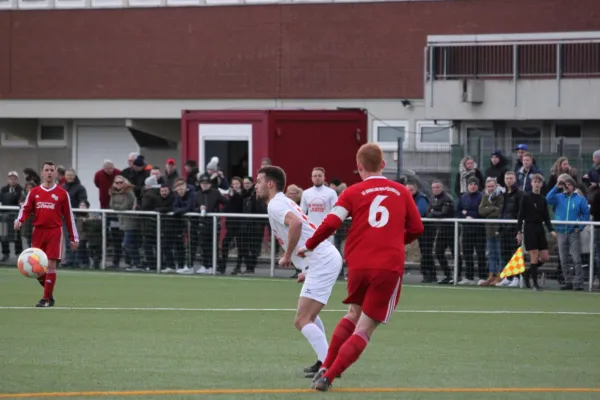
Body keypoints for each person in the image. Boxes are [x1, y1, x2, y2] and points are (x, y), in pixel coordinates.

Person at [297, 143, 424, 391]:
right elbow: (418, 229)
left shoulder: (353, 192)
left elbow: (332, 222)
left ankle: (325, 365)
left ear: (359, 167)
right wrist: (398, 239)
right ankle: (328, 376)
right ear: (383, 165)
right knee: (366, 327)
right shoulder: (401, 191)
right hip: (387, 266)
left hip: (358, 264)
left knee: (353, 315)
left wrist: (309, 245)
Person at [255, 166, 343, 380]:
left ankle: (329, 367)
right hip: (318, 262)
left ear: (270, 184)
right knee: (309, 316)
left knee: (302, 319)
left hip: (322, 260)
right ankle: (325, 360)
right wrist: (306, 269)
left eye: (259, 181)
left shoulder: (276, 204)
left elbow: (295, 224)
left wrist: (286, 255)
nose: (256, 186)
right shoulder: (281, 201)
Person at [14, 161, 79, 307]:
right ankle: (49, 294)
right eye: (46, 170)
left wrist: (74, 237)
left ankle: (46, 299)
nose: (49, 173)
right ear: (42, 173)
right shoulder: (35, 192)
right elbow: (25, 209)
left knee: (50, 264)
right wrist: (19, 220)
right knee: (37, 268)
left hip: (54, 232)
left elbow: (69, 217)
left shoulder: (62, 194)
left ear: (55, 173)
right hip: (38, 232)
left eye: (52, 170)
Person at [546, 174, 590, 291]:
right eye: (565, 185)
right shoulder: (559, 196)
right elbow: (548, 199)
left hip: (573, 232)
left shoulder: (580, 199)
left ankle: (579, 283)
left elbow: (586, 214)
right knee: (563, 258)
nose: (567, 187)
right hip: (561, 231)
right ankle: (567, 282)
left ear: (573, 186)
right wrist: (556, 186)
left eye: (569, 184)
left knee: (576, 258)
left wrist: (579, 226)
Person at [516, 174, 555, 291]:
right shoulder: (526, 197)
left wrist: (551, 229)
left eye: (539, 182)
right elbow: (520, 216)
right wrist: (519, 231)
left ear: (541, 184)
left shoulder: (543, 199)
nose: (537, 184)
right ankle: (535, 284)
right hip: (529, 228)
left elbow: (546, 217)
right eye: (535, 181)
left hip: (539, 228)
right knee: (534, 255)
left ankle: (527, 273)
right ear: (531, 183)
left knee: (544, 257)